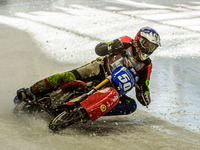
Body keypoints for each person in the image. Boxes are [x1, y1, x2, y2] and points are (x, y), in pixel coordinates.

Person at [16, 26, 161, 115]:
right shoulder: (125, 41)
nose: (147, 49)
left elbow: (145, 89)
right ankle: (30, 91)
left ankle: (86, 112)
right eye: (145, 44)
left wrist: (143, 92)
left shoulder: (146, 66)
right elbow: (99, 48)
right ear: (138, 39)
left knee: (130, 106)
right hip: (99, 68)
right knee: (67, 76)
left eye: (151, 47)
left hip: (114, 89)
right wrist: (110, 47)